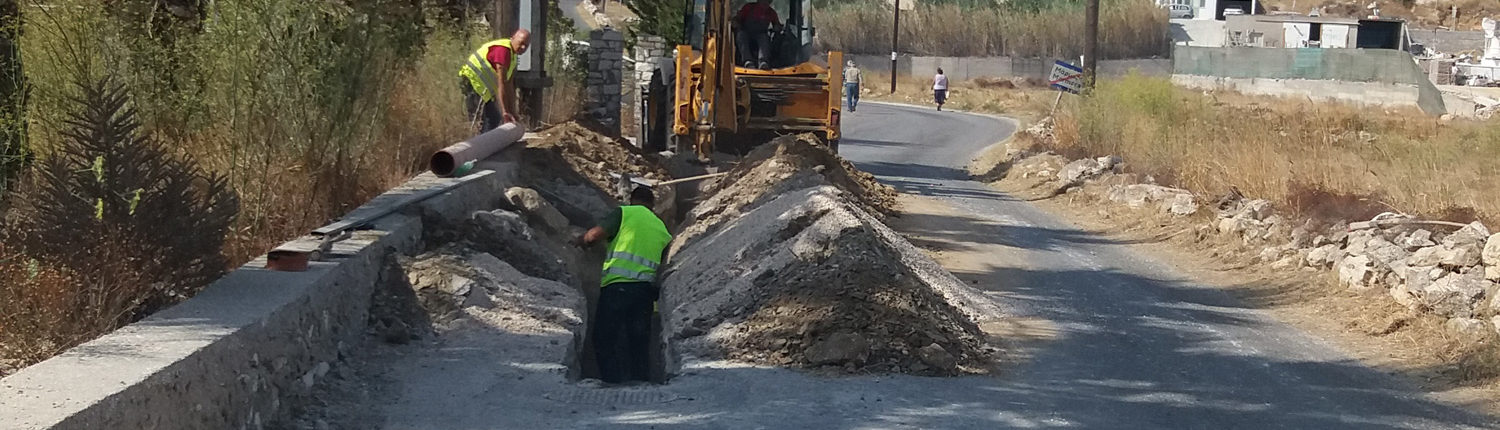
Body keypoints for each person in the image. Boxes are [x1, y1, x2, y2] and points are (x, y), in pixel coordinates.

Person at [580, 186, 672, 384]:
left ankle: (611, 382)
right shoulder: (662, 228)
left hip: (616, 288)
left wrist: (581, 241)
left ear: (632, 200)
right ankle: (641, 381)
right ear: (652, 205)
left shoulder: (624, 213)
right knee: (638, 341)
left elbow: (593, 236)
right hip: (645, 293)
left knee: (604, 338)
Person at [458, 29, 531, 133]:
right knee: (483, 119)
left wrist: (513, 111)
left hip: (481, 87)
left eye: (526, 46)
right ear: (513, 38)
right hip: (471, 81)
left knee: (492, 118)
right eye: (521, 43)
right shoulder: (503, 51)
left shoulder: (512, 56)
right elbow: (501, 84)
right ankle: (480, 145)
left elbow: (509, 85)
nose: (523, 48)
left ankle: (484, 144)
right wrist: (505, 111)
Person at [735, 0, 780, 69]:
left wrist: (777, 28)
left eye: (768, 1)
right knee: (741, 36)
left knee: (765, 38)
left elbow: (777, 25)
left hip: (761, 34)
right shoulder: (748, 8)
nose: (766, 3)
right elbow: (737, 20)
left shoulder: (771, 12)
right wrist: (736, 24)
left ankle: (763, 62)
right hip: (746, 33)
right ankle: (748, 61)